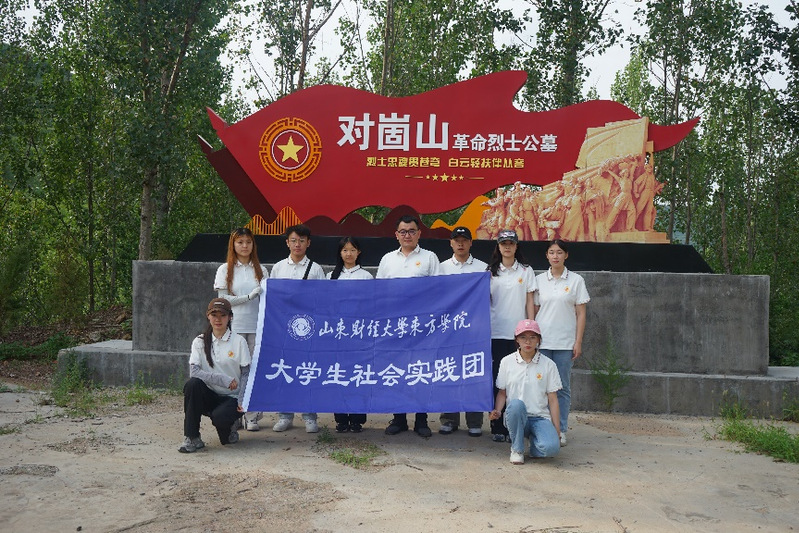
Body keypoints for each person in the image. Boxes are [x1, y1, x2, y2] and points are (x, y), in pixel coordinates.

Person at [376, 214, 441, 437]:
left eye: (412, 231)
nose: (407, 235)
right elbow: (379, 292)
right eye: (403, 232)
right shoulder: (387, 259)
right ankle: (399, 418)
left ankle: (421, 420)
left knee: (421, 371)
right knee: (397, 371)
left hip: (422, 327)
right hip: (395, 327)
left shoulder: (430, 257)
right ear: (396, 235)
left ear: (419, 233)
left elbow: (438, 291)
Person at [270, 224, 326, 433]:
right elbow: (273, 299)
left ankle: (310, 416)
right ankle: (285, 415)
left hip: (308, 328)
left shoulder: (316, 269)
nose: (297, 244)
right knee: (285, 370)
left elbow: (323, 299)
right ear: (287, 242)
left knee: (307, 371)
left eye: (302, 241)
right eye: (294, 240)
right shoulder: (278, 268)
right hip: (283, 328)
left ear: (308, 243)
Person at [534, 239, 589, 447]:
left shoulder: (576, 281)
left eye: (559, 252)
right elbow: (535, 311)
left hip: (565, 343)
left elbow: (581, 314)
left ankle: (561, 428)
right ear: (546, 255)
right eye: (551, 252)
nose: (555, 256)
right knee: (541, 386)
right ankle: (542, 427)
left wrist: (578, 341)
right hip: (542, 342)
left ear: (566, 255)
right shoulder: (539, 280)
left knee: (562, 387)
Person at [179, 298, 251, 453]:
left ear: (230, 317)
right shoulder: (199, 341)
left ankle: (230, 428)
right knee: (192, 384)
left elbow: (246, 373)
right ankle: (192, 437)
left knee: (224, 432)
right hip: (209, 394)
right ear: (208, 316)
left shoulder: (239, 341)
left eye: (223, 315)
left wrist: (242, 400)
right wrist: (223, 380)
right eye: (214, 315)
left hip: (231, 397)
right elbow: (194, 372)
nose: (218, 319)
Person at [214, 227, 266, 431]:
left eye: (248, 242)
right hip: (234, 327)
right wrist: (248, 297)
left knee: (252, 371)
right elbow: (223, 299)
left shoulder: (261, 269)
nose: (245, 246)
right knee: (234, 371)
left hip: (256, 327)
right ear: (233, 245)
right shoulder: (224, 269)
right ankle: (233, 413)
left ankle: (251, 415)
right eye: (240, 242)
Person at [437, 226, 488, 437]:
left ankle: (474, 421)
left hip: (474, 331)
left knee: (472, 374)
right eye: (456, 240)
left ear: (470, 243)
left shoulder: (483, 268)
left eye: (464, 240)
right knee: (448, 373)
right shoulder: (441, 268)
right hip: (448, 331)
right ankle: (449, 419)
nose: (460, 243)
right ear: (450, 243)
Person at [488, 229, 537, 442]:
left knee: (517, 380)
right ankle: (497, 425)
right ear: (498, 247)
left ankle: (514, 425)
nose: (507, 247)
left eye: (511, 243)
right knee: (498, 380)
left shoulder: (526, 271)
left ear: (516, 246)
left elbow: (530, 301)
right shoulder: (490, 271)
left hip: (519, 335)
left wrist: (531, 329)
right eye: (503, 243)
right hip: (495, 332)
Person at [489, 319, 561, 465]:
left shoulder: (549, 365)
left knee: (551, 449)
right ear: (517, 339)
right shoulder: (507, 362)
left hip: (539, 417)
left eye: (532, 337)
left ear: (539, 340)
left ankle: (534, 444)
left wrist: (557, 431)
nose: (528, 342)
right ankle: (517, 449)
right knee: (516, 405)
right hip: (516, 415)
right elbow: (502, 392)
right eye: (523, 337)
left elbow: (553, 399)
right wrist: (497, 411)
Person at [327, 236, 373, 433]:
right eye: (345, 250)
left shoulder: (366, 277)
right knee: (338, 375)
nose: (349, 254)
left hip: (359, 335)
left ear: (358, 252)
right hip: (337, 335)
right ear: (340, 253)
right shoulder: (331, 276)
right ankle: (341, 419)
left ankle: (357, 419)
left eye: (352, 250)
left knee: (358, 376)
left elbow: (371, 305)